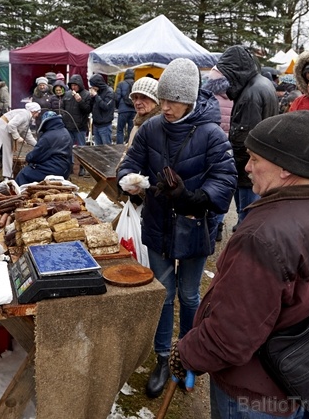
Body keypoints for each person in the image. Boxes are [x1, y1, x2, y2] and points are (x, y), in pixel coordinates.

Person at [171, 111, 309, 419]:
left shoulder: (263, 236)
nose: (247, 167)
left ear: (284, 168)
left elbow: (230, 336)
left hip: (255, 392)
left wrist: (185, 354)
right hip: (297, 371)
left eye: (254, 159)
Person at [118, 58, 237, 399]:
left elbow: (225, 179)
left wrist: (192, 196)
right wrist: (128, 180)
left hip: (192, 227)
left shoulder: (212, 134)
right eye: (163, 99)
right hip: (156, 224)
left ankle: (188, 356)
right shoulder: (152, 128)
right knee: (164, 294)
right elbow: (130, 162)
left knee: (188, 294)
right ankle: (162, 358)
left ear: (190, 98)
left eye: (173, 100)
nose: (165, 106)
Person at [217, 45, 279, 230]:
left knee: (247, 214)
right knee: (249, 211)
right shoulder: (260, 84)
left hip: (249, 166)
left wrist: (235, 163)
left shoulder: (250, 93)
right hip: (260, 159)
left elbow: (244, 137)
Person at [202, 66, 233, 242]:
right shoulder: (235, 97)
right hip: (229, 147)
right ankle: (219, 223)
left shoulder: (208, 97)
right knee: (223, 184)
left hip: (210, 146)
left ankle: (210, 220)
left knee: (209, 182)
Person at [0, 102, 40, 182]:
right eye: (38, 112)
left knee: (8, 153)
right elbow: (11, 125)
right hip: (1, 127)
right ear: (34, 111)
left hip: (6, 129)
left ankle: (6, 176)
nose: (38, 115)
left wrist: (37, 145)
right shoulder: (24, 114)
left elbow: (27, 134)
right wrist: (17, 137)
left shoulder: (27, 118)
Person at [15, 111, 73, 185]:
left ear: (45, 123)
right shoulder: (65, 131)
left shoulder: (48, 136)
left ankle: (18, 195)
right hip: (65, 169)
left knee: (24, 174)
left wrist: (28, 157)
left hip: (53, 170)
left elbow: (35, 156)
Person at [125, 76, 160, 148]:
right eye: (135, 97)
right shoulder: (138, 122)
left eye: (144, 97)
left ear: (156, 100)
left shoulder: (158, 126)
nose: (137, 102)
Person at [88, 73, 115, 145]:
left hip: (105, 125)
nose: (93, 88)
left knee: (106, 149)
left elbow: (105, 106)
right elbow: (92, 106)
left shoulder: (109, 92)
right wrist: (92, 97)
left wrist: (96, 96)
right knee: (98, 149)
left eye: (94, 86)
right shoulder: (97, 91)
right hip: (96, 124)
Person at [115, 68, 136, 144]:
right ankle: (130, 146)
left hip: (123, 110)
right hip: (133, 110)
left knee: (120, 130)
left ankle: (119, 147)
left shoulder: (121, 84)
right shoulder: (135, 83)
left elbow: (117, 97)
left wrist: (118, 107)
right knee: (131, 130)